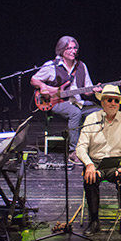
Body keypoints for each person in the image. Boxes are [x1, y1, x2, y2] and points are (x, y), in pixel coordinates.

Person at [76, 85, 121, 238]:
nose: (113, 103)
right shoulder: (92, 119)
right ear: (103, 102)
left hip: (115, 162)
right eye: (109, 100)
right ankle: (94, 220)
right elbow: (81, 147)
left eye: (116, 101)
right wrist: (89, 164)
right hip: (96, 162)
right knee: (89, 178)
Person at [31, 35, 101, 164]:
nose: (73, 51)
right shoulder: (52, 66)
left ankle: (96, 147)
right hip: (57, 102)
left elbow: (88, 89)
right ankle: (73, 152)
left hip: (78, 101)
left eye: (75, 48)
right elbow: (34, 79)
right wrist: (43, 87)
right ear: (61, 49)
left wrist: (94, 89)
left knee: (100, 111)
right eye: (69, 48)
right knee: (75, 113)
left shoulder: (81, 66)